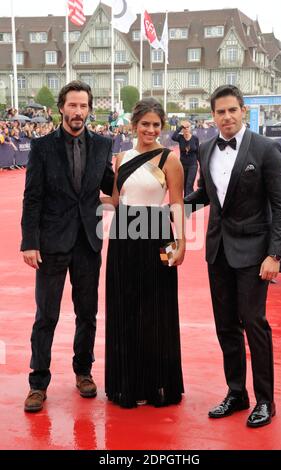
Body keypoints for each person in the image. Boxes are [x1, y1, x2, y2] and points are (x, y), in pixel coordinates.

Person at [185, 85, 281, 428]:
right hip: (217, 250)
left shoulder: (265, 149)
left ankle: (265, 400)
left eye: (232, 110)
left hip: (254, 252)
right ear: (212, 115)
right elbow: (208, 195)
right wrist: (174, 205)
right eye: (220, 112)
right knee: (226, 325)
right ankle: (236, 392)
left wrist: (275, 254)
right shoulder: (204, 149)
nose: (227, 117)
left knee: (254, 323)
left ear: (242, 110)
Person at [21, 80, 115, 412]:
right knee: (46, 314)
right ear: (61, 107)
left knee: (86, 314)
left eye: (84, 106)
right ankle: (37, 382)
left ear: (90, 109)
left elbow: (109, 185)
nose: (78, 112)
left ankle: (83, 372)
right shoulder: (42, 147)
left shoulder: (104, 145)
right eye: (72, 105)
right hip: (51, 242)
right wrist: (29, 241)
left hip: (88, 242)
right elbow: (32, 197)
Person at [101, 98, 185, 408]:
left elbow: (176, 203)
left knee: (157, 306)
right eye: (145, 124)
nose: (150, 130)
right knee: (125, 306)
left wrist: (181, 243)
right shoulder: (120, 158)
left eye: (156, 125)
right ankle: (127, 383)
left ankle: (157, 383)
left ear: (162, 128)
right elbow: (113, 199)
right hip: (124, 234)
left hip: (159, 236)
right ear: (134, 125)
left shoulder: (169, 159)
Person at [172, 121, 199, 197]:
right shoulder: (180, 138)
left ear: (190, 128)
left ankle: (189, 206)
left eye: (187, 127)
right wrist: (180, 127)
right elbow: (173, 137)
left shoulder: (195, 138)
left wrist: (202, 165)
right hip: (182, 165)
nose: (186, 129)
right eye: (184, 128)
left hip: (193, 165)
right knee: (184, 185)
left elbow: (197, 152)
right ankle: (189, 202)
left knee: (189, 185)